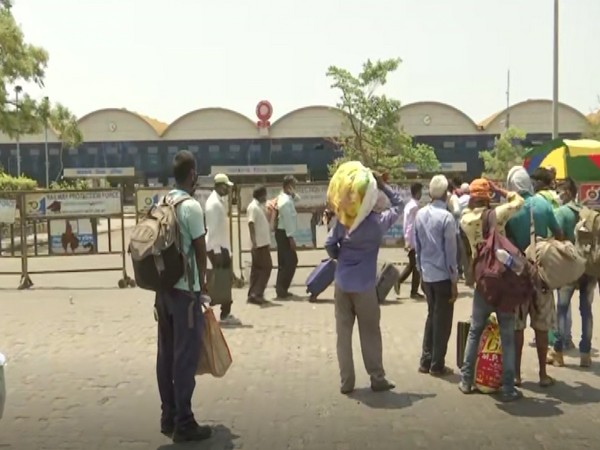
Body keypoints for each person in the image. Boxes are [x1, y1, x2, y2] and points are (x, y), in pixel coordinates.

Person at [325, 173, 400, 394]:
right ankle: (377, 378)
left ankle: (346, 383)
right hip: (365, 286)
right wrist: (384, 185)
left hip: (342, 284)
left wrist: (340, 256)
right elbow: (399, 204)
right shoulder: (378, 223)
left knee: (343, 334)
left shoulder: (343, 221)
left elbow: (329, 244)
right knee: (370, 332)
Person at [155, 150, 212, 442]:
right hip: (184, 294)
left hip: (161, 293)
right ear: (192, 175)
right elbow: (201, 251)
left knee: (165, 355)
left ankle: (168, 415)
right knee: (184, 359)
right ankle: (185, 422)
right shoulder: (190, 207)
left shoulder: (162, 202)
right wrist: (202, 285)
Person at [458, 178, 525, 402]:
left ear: (471, 198)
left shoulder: (465, 220)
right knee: (507, 336)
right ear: (488, 198)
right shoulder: (497, 215)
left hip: (482, 283)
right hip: (503, 282)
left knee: (475, 331)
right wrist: (501, 190)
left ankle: (466, 380)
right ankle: (507, 388)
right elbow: (519, 201)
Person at [505, 166, 563, 387]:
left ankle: (517, 375)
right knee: (541, 327)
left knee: (517, 327)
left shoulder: (510, 208)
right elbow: (558, 233)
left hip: (518, 275)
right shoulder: (543, 204)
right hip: (541, 274)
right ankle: (542, 375)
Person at [548, 177, 594, 368]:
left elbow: (554, 238)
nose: (558, 195)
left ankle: (558, 351)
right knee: (586, 311)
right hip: (588, 266)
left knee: (562, 309)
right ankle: (585, 353)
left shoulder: (561, 213)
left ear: (566, 192)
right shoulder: (588, 213)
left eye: (559, 191)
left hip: (567, 267)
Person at [414, 175, 458, 377]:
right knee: (443, 322)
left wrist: (421, 272)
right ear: (447, 193)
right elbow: (451, 253)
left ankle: (426, 360)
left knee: (432, 316)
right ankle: (437, 364)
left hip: (427, 275)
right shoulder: (447, 218)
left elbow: (418, 248)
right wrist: (455, 280)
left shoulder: (420, 214)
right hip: (442, 276)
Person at [205, 173, 242, 326]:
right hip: (218, 248)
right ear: (220, 186)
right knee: (221, 281)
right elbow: (212, 230)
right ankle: (224, 314)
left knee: (222, 281)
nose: (228, 190)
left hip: (220, 247)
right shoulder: (214, 204)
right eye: (226, 187)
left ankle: (222, 311)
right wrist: (218, 252)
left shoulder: (217, 201)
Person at [395, 182, 424, 299]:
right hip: (413, 241)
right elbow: (411, 226)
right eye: (421, 192)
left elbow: (407, 224)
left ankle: (410, 289)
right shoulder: (414, 207)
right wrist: (408, 240)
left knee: (413, 265)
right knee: (415, 265)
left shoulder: (409, 205)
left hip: (411, 240)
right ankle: (403, 284)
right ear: (417, 193)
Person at [246, 185, 272, 305]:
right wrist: (254, 241)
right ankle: (257, 293)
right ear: (261, 195)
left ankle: (252, 294)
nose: (266, 197)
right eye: (265, 195)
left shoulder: (259, 206)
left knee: (256, 270)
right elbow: (251, 224)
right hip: (259, 244)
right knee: (266, 268)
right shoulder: (253, 207)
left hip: (263, 243)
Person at [275, 175, 299, 299]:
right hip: (284, 234)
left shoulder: (287, 198)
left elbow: (298, 199)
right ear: (288, 186)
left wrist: (293, 194)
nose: (295, 188)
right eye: (293, 185)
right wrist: (291, 238)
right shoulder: (284, 202)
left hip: (284, 233)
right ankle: (281, 288)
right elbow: (288, 221)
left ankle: (282, 288)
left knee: (285, 262)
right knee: (290, 261)